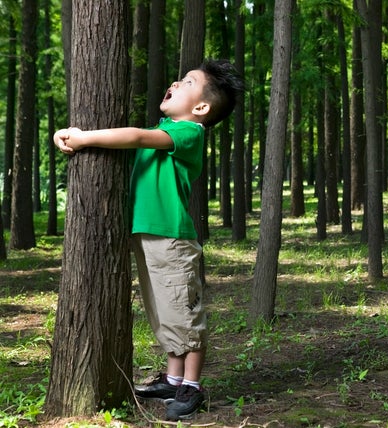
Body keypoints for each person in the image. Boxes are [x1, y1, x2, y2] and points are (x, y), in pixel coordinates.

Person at [54, 59, 243, 421]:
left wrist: (85, 137)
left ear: (201, 108)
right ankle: (173, 379)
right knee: (164, 311)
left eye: (188, 82)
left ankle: (192, 387)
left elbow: (137, 137)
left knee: (184, 314)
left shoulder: (189, 132)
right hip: (150, 235)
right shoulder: (169, 126)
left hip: (172, 239)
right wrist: (65, 135)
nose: (175, 82)